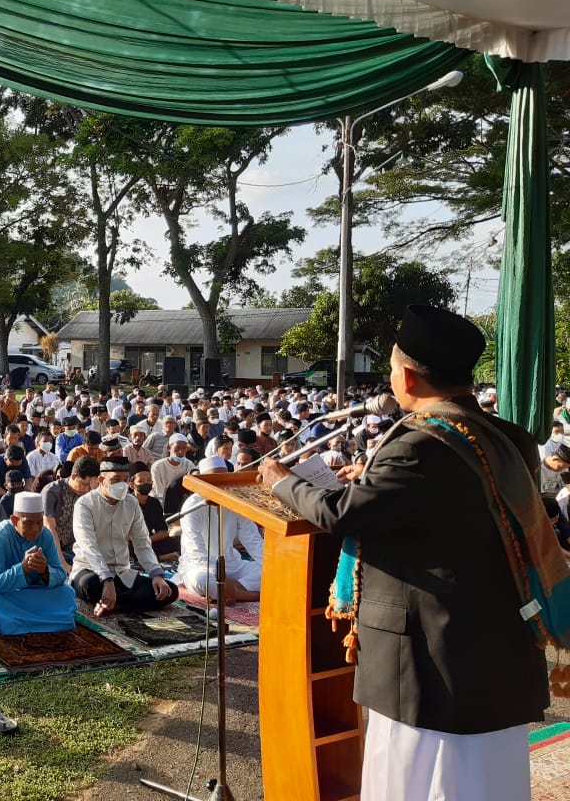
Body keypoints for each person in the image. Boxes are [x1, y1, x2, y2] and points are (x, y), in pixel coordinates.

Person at [260, 305, 550, 800]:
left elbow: (344, 517)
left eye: (392, 369)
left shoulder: (421, 444)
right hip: (498, 641)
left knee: (420, 778)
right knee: (488, 777)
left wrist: (283, 482)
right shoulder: (511, 438)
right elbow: (443, 508)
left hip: (433, 657)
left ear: (410, 378)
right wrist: (373, 484)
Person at [70, 458, 178, 615]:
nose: (122, 485)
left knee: (169, 591)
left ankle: (115, 604)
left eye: (125, 480)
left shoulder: (131, 503)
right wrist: (106, 579)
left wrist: (156, 574)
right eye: (115, 480)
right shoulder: (85, 504)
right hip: (90, 570)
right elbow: (89, 547)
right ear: (101, 480)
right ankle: (122, 599)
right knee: (90, 586)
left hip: (121, 572)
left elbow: (142, 543)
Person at [0, 491, 76, 635]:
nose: (35, 529)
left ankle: (20, 622)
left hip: (33, 591)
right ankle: (40, 620)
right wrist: (22, 569)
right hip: (4, 593)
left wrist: (45, 571)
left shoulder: (45, 535)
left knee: (67, 593)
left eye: (40, 522)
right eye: (29, 523)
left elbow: (60, 574)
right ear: (15, 520)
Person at [177, 455, 261, 602]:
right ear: (204, 482)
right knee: (201, 580)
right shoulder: (192, 506)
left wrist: (270, 566)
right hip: (200, 566)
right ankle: (246, 594)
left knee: (270, 572)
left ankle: (231, 591)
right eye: (213, 480)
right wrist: (219, 575)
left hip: (232, 564)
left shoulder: (235, 502)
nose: (218, 485)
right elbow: (196, 551)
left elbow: (253, 539)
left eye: (222, 479)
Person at [41, 455, 99, 571]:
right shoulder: (51, 492)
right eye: (84, 484)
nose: (87, 489)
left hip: (73, 550)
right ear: (73, 476)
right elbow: (49, 529)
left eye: (91, 486)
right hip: (49, 550)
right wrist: (62, 564)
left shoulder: (89, 495)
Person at [131, 463, 178, 563]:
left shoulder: (154, 503)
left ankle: (157, 556)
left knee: (174, 542)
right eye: (141, 481)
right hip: (132, 542)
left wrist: (148, 540)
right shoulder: (126, 503)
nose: (146, 483)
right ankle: (161, 558)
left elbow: (163, 531)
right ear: (132, 485)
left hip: (149, 540)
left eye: (148, 480)